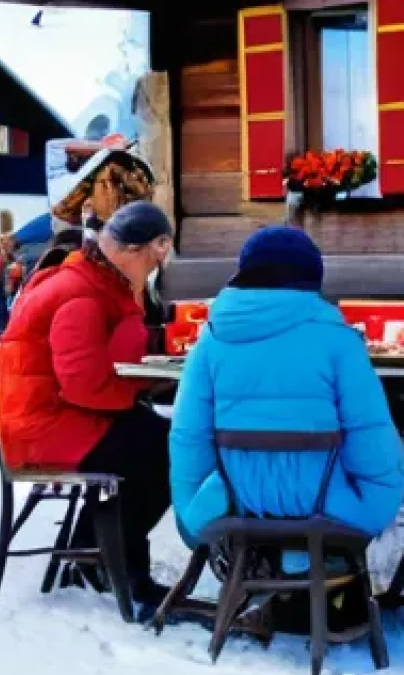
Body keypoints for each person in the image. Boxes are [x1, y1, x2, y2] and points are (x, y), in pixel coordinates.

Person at [171, 227, 404, 546]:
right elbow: (370, 435)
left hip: (235, 506)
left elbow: (189, 436)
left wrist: (191, 510)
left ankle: (264, 577)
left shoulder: (211, 340)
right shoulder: (339, 340)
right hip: (329, 509)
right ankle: (317, 574)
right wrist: (377, 499)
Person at [0, 201, 175, 612]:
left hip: (51, 417)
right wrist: (145, 384)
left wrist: (144, 379)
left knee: (154, 437)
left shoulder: (91, 280)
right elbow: (82, 385)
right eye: (152, 258)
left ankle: (92, 553)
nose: (152, 270)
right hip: (47, 426)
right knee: (164, 449)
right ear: (133, 250)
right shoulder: (82, 294)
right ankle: (115, 566)